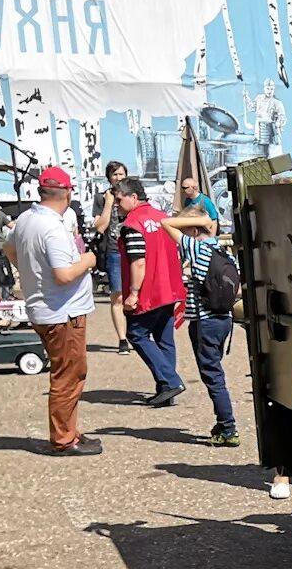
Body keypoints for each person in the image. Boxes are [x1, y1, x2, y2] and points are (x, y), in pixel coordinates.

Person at [5, 165, 102, 455]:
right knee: (68, 375)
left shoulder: (26, 219)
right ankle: (64, 439)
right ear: (67, 193)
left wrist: (31, 271)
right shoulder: (53, 228)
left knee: (69, 371)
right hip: (62, 312)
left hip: (46, 307)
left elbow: (8, 248)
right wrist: (88, 260)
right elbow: (64, 274)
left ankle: (68, 430)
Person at [165, 207, 239, 445]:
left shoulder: (197, 248)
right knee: (215, 371)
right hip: (223, 320)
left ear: (194, 230)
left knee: (213, 375)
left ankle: (228, 428)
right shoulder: (222, 250)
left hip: (204, 321)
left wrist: (200, 219)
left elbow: (165, 224)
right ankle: (224, 423)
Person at [114, 178, 187, 406]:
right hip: (169, 287)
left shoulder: (133, 224)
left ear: (133, 197)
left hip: (149, 291)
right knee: (164, 339)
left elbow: (138, 262)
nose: (116, 204)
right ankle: (167, 390)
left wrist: (134, 293)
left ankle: (171, 381)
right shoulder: (161, 217)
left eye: (119, 200)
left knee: (137, 334)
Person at [92, 160, 132, 353]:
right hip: (114, 250)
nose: (118, 177)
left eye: (121, 174)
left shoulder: (134, 194)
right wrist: (109, 203)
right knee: (117, 295)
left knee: (137, 292)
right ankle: (122, 339)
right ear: (108, 177)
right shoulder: (102, 198)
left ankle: (137, 332)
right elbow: (100, 226)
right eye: (114, 174)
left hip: (134, 248)